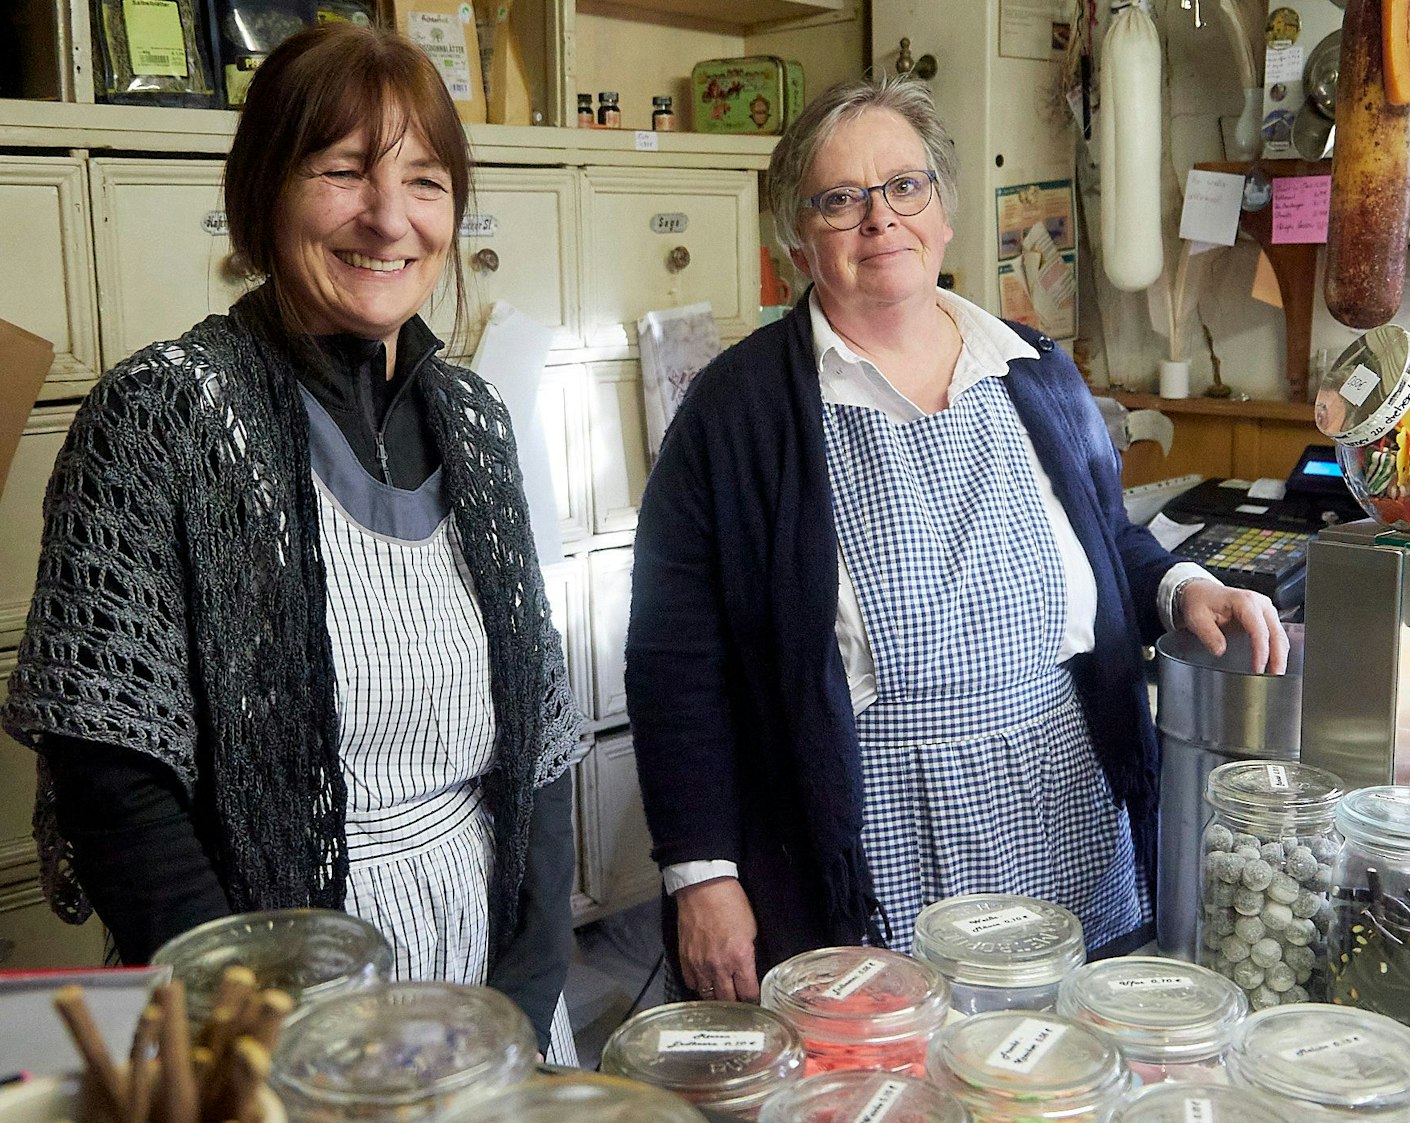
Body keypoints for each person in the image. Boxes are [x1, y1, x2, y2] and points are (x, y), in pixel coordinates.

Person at [626, 76, 1288, 1003]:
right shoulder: (736, 414)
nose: (878, 220)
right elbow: (673, 660)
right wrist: (702, 871)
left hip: (1066, 806)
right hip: (874, 834)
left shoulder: (1032, 371)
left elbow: (1105, 544)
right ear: (798, 241)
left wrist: (1181, 588)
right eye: (839, 200)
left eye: (905, 187)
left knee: (1060, 1071)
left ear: (942, 213)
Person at [2, 25, 584, 1058]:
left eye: (425, 180)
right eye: (343, 171)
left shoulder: (478, 423)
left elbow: (538, 732)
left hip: (480, 969)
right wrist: (255, 1032)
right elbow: (114, 779)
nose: (388, 218)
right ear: (262, 191)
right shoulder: (161, 418)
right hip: (266, 1001)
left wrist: (527, 1000)